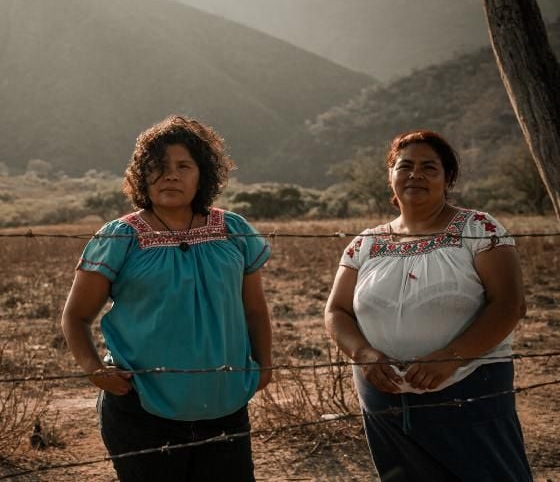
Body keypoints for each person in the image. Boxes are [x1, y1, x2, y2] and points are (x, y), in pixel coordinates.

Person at [62, 115, 272, 481]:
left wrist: (264, 365)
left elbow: (254, 309)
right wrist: (95, 370)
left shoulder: (233, 230)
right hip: (142, 410)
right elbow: (76, 316)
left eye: (183, 166)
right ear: (141, 175)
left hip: (225, 404)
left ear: (202, 175)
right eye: (157, 167)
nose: (170, 175)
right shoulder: (120, 237)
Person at [324, 130, 532, 481]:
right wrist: (364, 354)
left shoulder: (478, 229)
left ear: (448, 178)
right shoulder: (366, 243)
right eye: (405, 166)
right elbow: (336, 311)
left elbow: (510, 304)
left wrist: (452, 356)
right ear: (391, 176)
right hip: (385, 399)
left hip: (469, 393)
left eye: (429, 167)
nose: (415, 175)